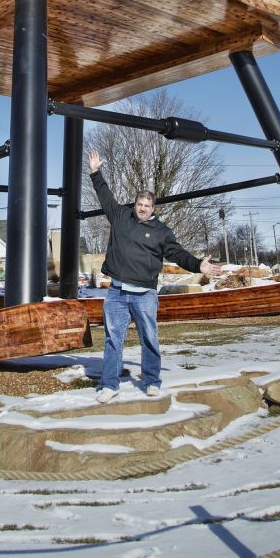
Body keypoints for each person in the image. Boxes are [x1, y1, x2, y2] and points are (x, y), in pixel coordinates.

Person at [88, 148, 223, 402]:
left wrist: (198, 265)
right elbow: (104, 196)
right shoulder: (120, 216)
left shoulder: (162, 231)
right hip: (117, 292)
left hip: (145, 295)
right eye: (139, 204)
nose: (142, 208)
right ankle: (109, 384)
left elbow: (177, 253)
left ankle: (151, 380)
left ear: (153, 208)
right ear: (135, 204)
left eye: (147, 206)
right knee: (113, 340)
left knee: (149, 338)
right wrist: (96, 172)